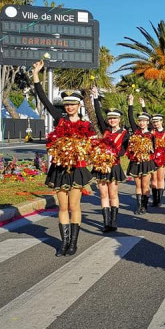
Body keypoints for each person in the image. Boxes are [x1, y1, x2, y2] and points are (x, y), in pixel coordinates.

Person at [32, 60, 95, 257]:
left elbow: (92, 148)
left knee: (74, 205)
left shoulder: (87, 125)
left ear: (78, 105)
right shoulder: (59, 120)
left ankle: (74, 243)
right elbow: (44, 99)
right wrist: (36, 75)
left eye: (73, 104)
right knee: (63, 206)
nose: (69, 107)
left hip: (77, 169)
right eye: (67, 104)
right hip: (59, 169)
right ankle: (64, 243)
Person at [92, 88, 129, 233]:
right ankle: (106, 222)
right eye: (110, 118)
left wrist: (112, 154)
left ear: (119, 119)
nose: (112, 120)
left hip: (113, 166)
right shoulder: (105, 130)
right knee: (103, 194)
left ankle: (113, 221)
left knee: (113, 194)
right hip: (101, 166)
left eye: (115, 118)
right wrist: (95, 98)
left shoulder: (125, 134)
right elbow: (98, 116)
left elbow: (124, 150)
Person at [126, 95, 157, 214]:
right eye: (140, 121)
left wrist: (144, 105)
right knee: (137, 185)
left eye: (144, 121)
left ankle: (144, 206)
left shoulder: (151, 134)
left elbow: (153, 149)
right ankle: (139, 206)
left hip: (146, 162)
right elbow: (130, 118)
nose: (142, 123)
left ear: (148, 122)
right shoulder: (135, 132)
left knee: (145, 185)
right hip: (135, 162)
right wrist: (131, 103)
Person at [149, 113, 165, 207]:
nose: (156, 123)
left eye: (157, 121)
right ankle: (155, 199)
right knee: (153, 179)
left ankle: (160, 199)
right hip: (153, 157)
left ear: (161, 121)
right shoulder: (151, 133)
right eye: (154, 122)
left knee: (160, 178)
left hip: (162, 157)